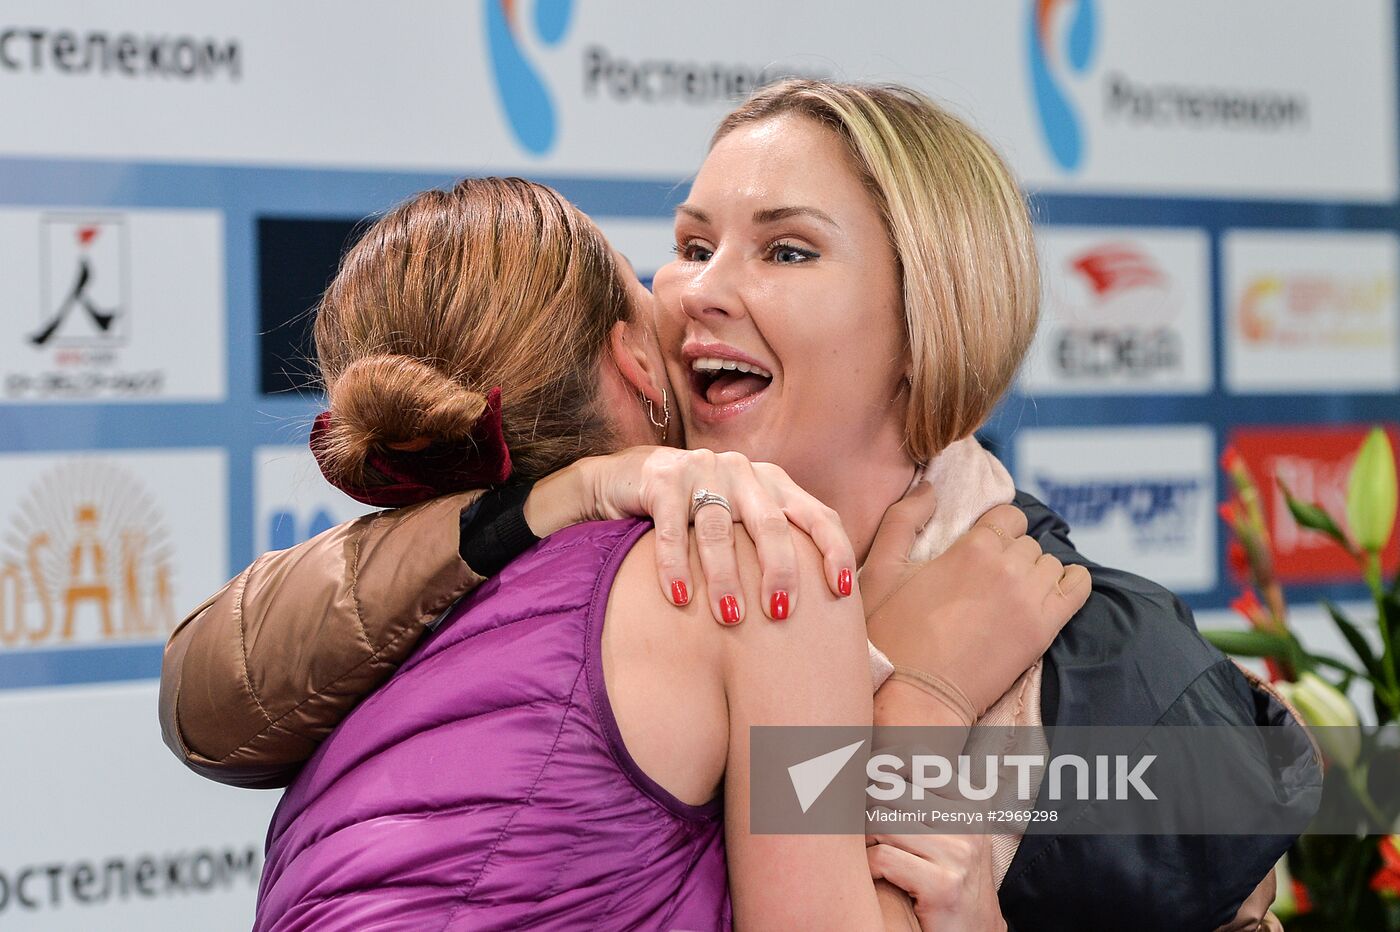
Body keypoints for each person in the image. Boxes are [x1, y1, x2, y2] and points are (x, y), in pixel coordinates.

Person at [162, 81, 1318, 930]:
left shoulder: (1119, 671)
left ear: (931, 323)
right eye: (691, 243)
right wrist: (904, 694)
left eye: (787, 251)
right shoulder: (518, 544)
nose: (702, 290)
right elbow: (209, 694)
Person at [243, 175, 1084, 930]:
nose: (696, 298)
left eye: (788, 251)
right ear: (637, 365)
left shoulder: (368, 618)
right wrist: (922, 697)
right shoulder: (747, 561)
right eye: (680, 258)